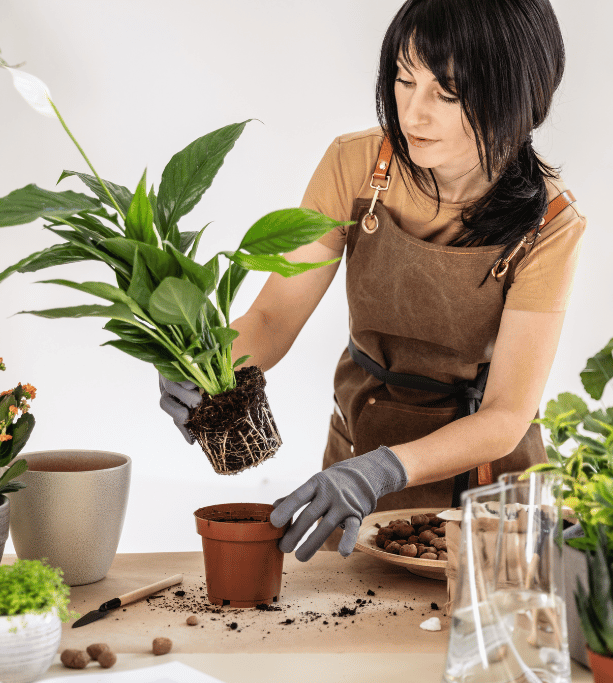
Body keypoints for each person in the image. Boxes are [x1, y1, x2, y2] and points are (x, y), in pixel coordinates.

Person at [160, 0, 585, 562]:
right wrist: (207, 369)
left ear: (519, 97)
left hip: (486, 477)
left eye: (447, 93)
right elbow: (272, 316)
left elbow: (506, 414)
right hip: (363, 432)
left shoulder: (551, 225)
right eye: (405, 81)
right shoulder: (357, 165)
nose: (412, 114)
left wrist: (382, 470)